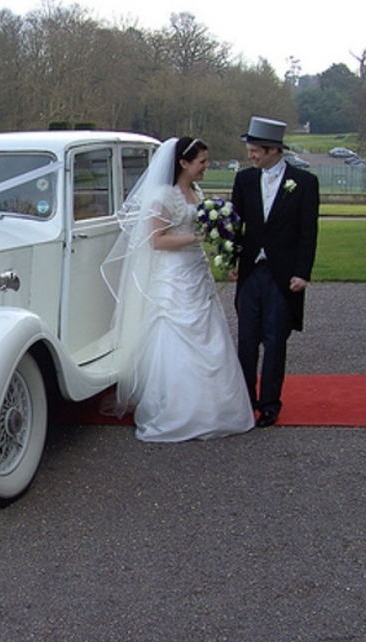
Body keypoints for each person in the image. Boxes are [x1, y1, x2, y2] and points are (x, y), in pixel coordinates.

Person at [102, 136, 255, 442]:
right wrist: (195, 237)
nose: (206, 167)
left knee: (209, 332)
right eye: (202, 162)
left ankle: (216, 407)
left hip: (196, 271)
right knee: (174, 335)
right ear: (184, 162)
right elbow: (156, 241)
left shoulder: (196, 192)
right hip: (174, 274)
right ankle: (175, 408)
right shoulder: (163, 196)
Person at [231, 117, 319, 427]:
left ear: (273, 150)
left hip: (283, 276)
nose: (251, 156)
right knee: (246, 340)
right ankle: (244, 400)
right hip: (251, 272)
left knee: (275, 339)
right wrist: (232, 262)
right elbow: (235, 226)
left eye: (255, 150)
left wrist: (302, 273)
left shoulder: (305, 183)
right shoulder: (243, 181)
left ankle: (270, 404)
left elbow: (308, 233)